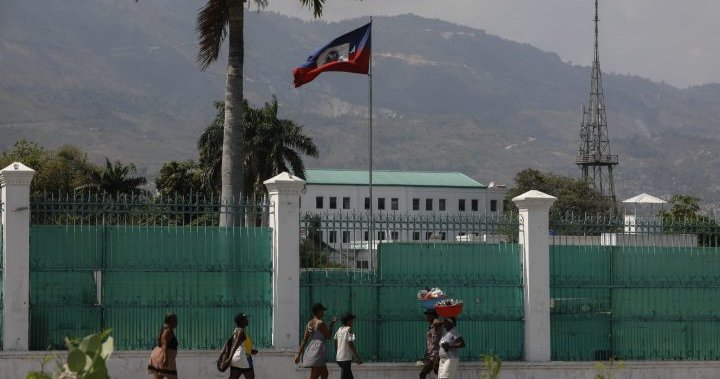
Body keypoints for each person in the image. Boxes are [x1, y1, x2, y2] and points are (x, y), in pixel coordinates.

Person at [294, 303, 337, 379]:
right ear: (318, 312)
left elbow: (304, 340)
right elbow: (328, 336)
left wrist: (298, 354)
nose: (323, 313)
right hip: (319, 350)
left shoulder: (309, 323)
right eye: (322, 311)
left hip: (312, 349)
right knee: (315, 375)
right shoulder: (320, 323)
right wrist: (331, 325)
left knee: (324, 373)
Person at [148, 313, 179, 379]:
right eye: (175, 320)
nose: (177, 322)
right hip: (164, 356)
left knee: (159, 376)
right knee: (172, 377)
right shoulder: (168, 330)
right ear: (170, 320)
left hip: (158, 353)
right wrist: (165, 357)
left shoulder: (164, 328)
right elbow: (164, 343)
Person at [334, 312, 362, 379]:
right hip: (345, 359)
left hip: (339, 358)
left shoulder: (339, 330)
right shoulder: (349, 329)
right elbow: (351, 343)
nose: (352, 322)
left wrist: (337, 353)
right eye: (351, 320)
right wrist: (357, 357)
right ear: (348, 321)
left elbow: (335, 340)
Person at [229, 313, 254, 379]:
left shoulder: (237, 331)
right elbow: (235, 346)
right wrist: (228, 359)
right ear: (241, 322)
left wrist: (251, 350)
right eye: (245, 319)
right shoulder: (241, 332)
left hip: (236, 359)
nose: (247, 320)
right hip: (243, 359)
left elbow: (242, 345)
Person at [419, 309, 442, 379]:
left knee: (422, 374)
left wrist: (437, 321)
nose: (427, 317)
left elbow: (442, 322)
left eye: (429, 315)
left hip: (435, 355)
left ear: (434, 316)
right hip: (430, 354)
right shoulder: (431, 327)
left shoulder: (437, 325)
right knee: (438, 373)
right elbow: (430, 343)